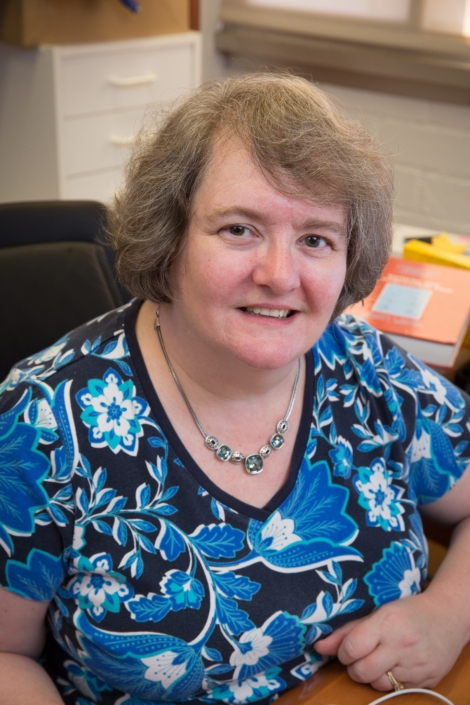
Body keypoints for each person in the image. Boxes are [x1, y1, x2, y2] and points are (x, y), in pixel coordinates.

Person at [0, 73, 469, 705]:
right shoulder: (39, 424)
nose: (279, 275)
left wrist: (448, 612)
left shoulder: (367, 368)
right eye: (239, 230)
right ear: (169, 237)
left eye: (315, 239)